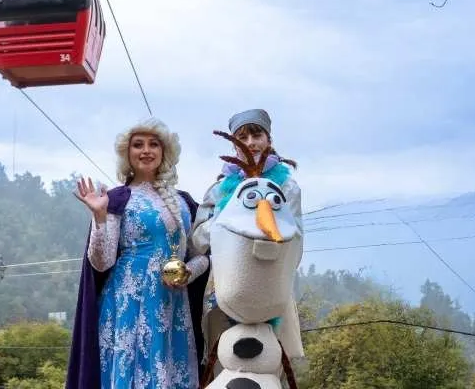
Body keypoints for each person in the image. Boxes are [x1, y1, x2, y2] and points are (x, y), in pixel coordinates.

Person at [65, 117, 210, 389]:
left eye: (153, 144)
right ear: (127, 153)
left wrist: (188, 273)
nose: (146, 150)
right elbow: (102, 262)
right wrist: (99, 217)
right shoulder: (117, 199)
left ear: (164, 152)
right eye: (138, 145)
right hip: (127, 306)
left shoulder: (185, 202)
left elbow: (203, 256)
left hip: (172, 306)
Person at [190, 108, 304, 378]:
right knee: (225, 364)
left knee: (270, 364)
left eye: (257, 134)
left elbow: (296, 239)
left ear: (269, 139)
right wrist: (226, 214)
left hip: (272, 290)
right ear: (233, 144)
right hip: (226, 290)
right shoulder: (219, 190)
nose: (251, 142)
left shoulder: (287, 188)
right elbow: (197, 239)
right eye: (242, 136)